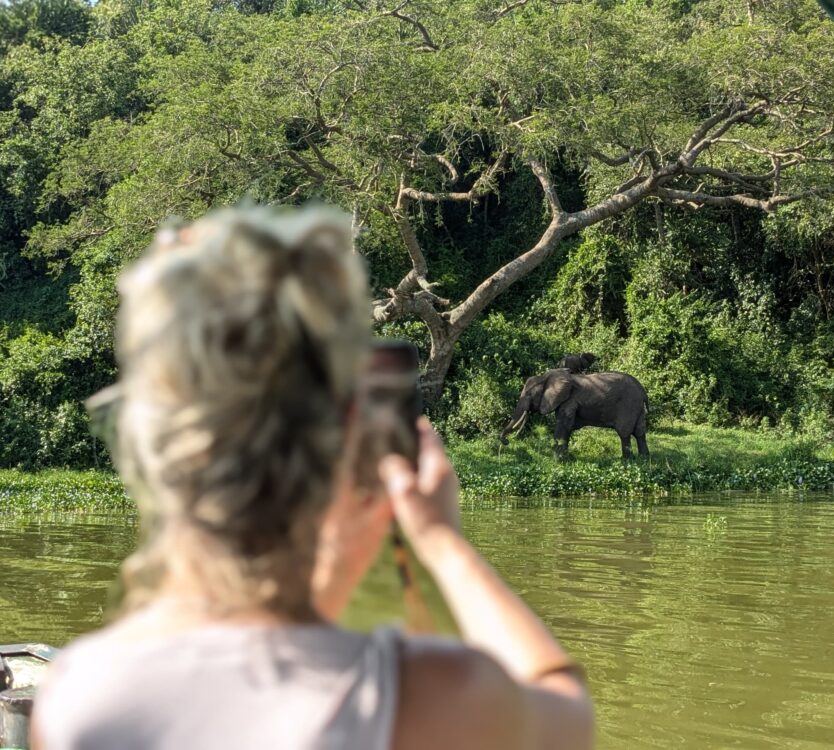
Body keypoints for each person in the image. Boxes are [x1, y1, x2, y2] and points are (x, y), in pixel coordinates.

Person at [31, 205, 594, 750]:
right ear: (352, 436)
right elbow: (566, 710)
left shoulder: (79, 697)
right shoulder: (434, 694)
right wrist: (443, 543)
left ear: (155, 445)